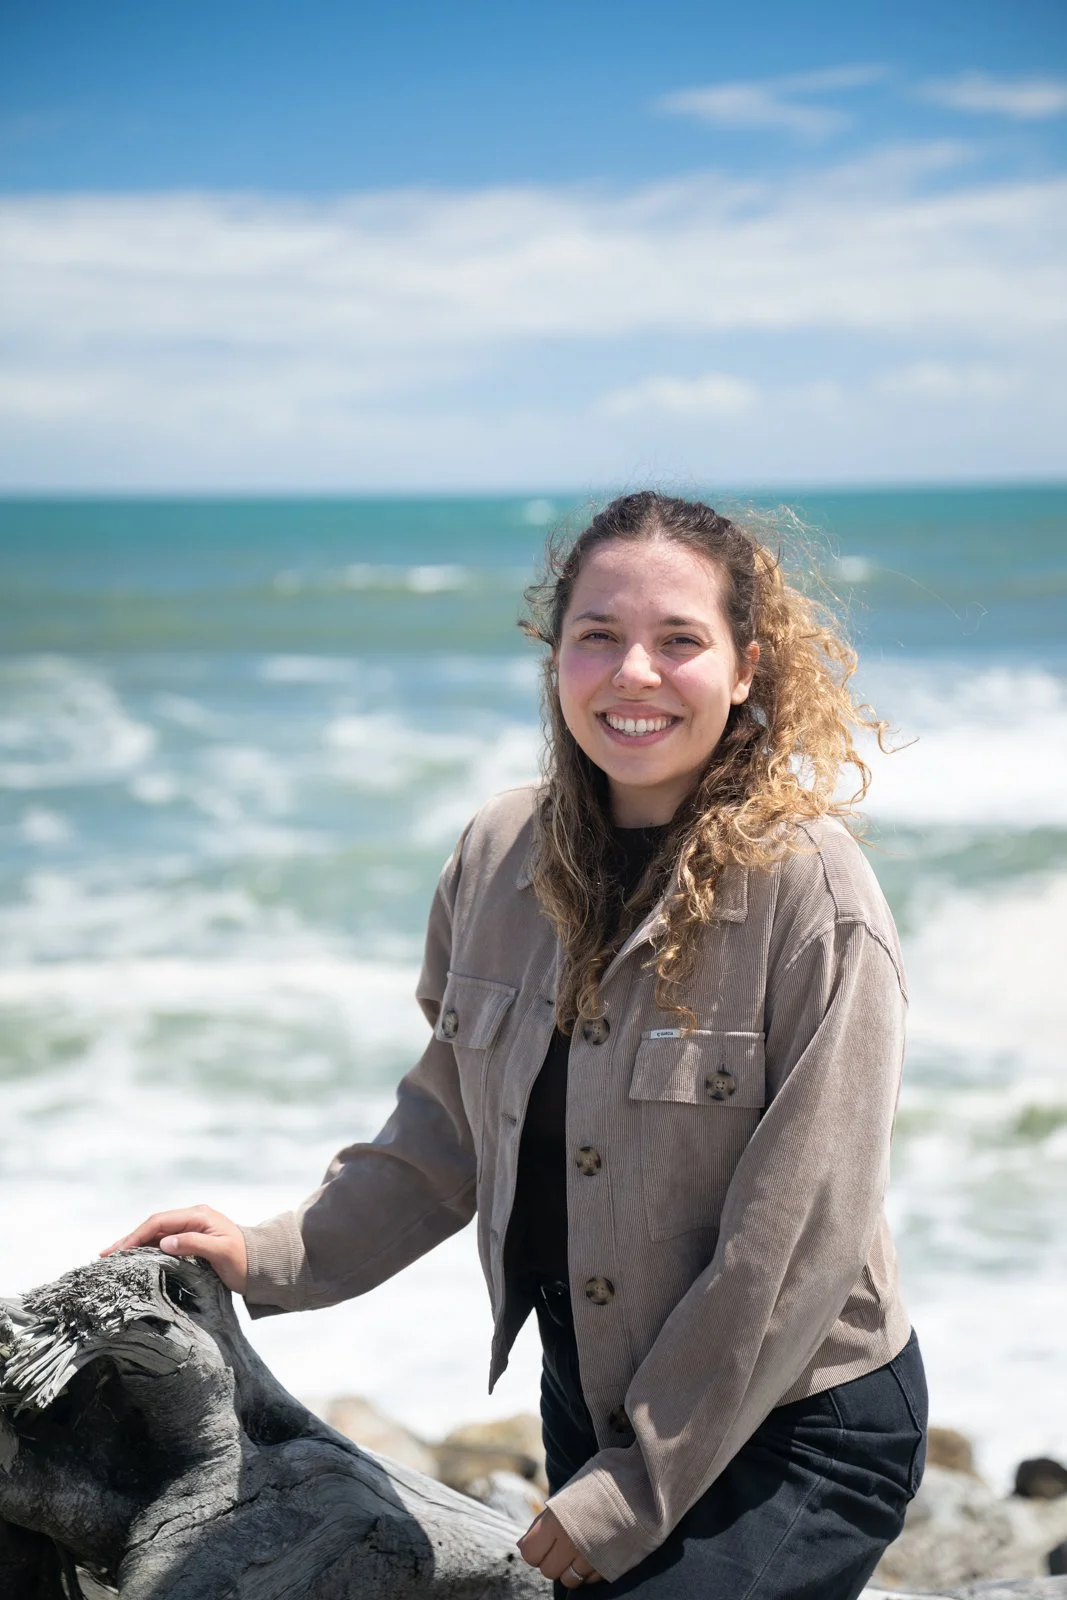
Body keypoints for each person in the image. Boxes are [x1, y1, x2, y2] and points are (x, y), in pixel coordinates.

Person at [104, 491, 927, 1598]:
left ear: (744, 668)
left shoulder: (811, 892)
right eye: (598, 636)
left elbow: (791, 1240)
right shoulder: (497, 854)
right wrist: (273, 1255)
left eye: (678, 639)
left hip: (794, 1429)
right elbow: (445, 1131)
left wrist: (629, 1490)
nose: (633, 671)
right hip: (591, 1405)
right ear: (555, 657)